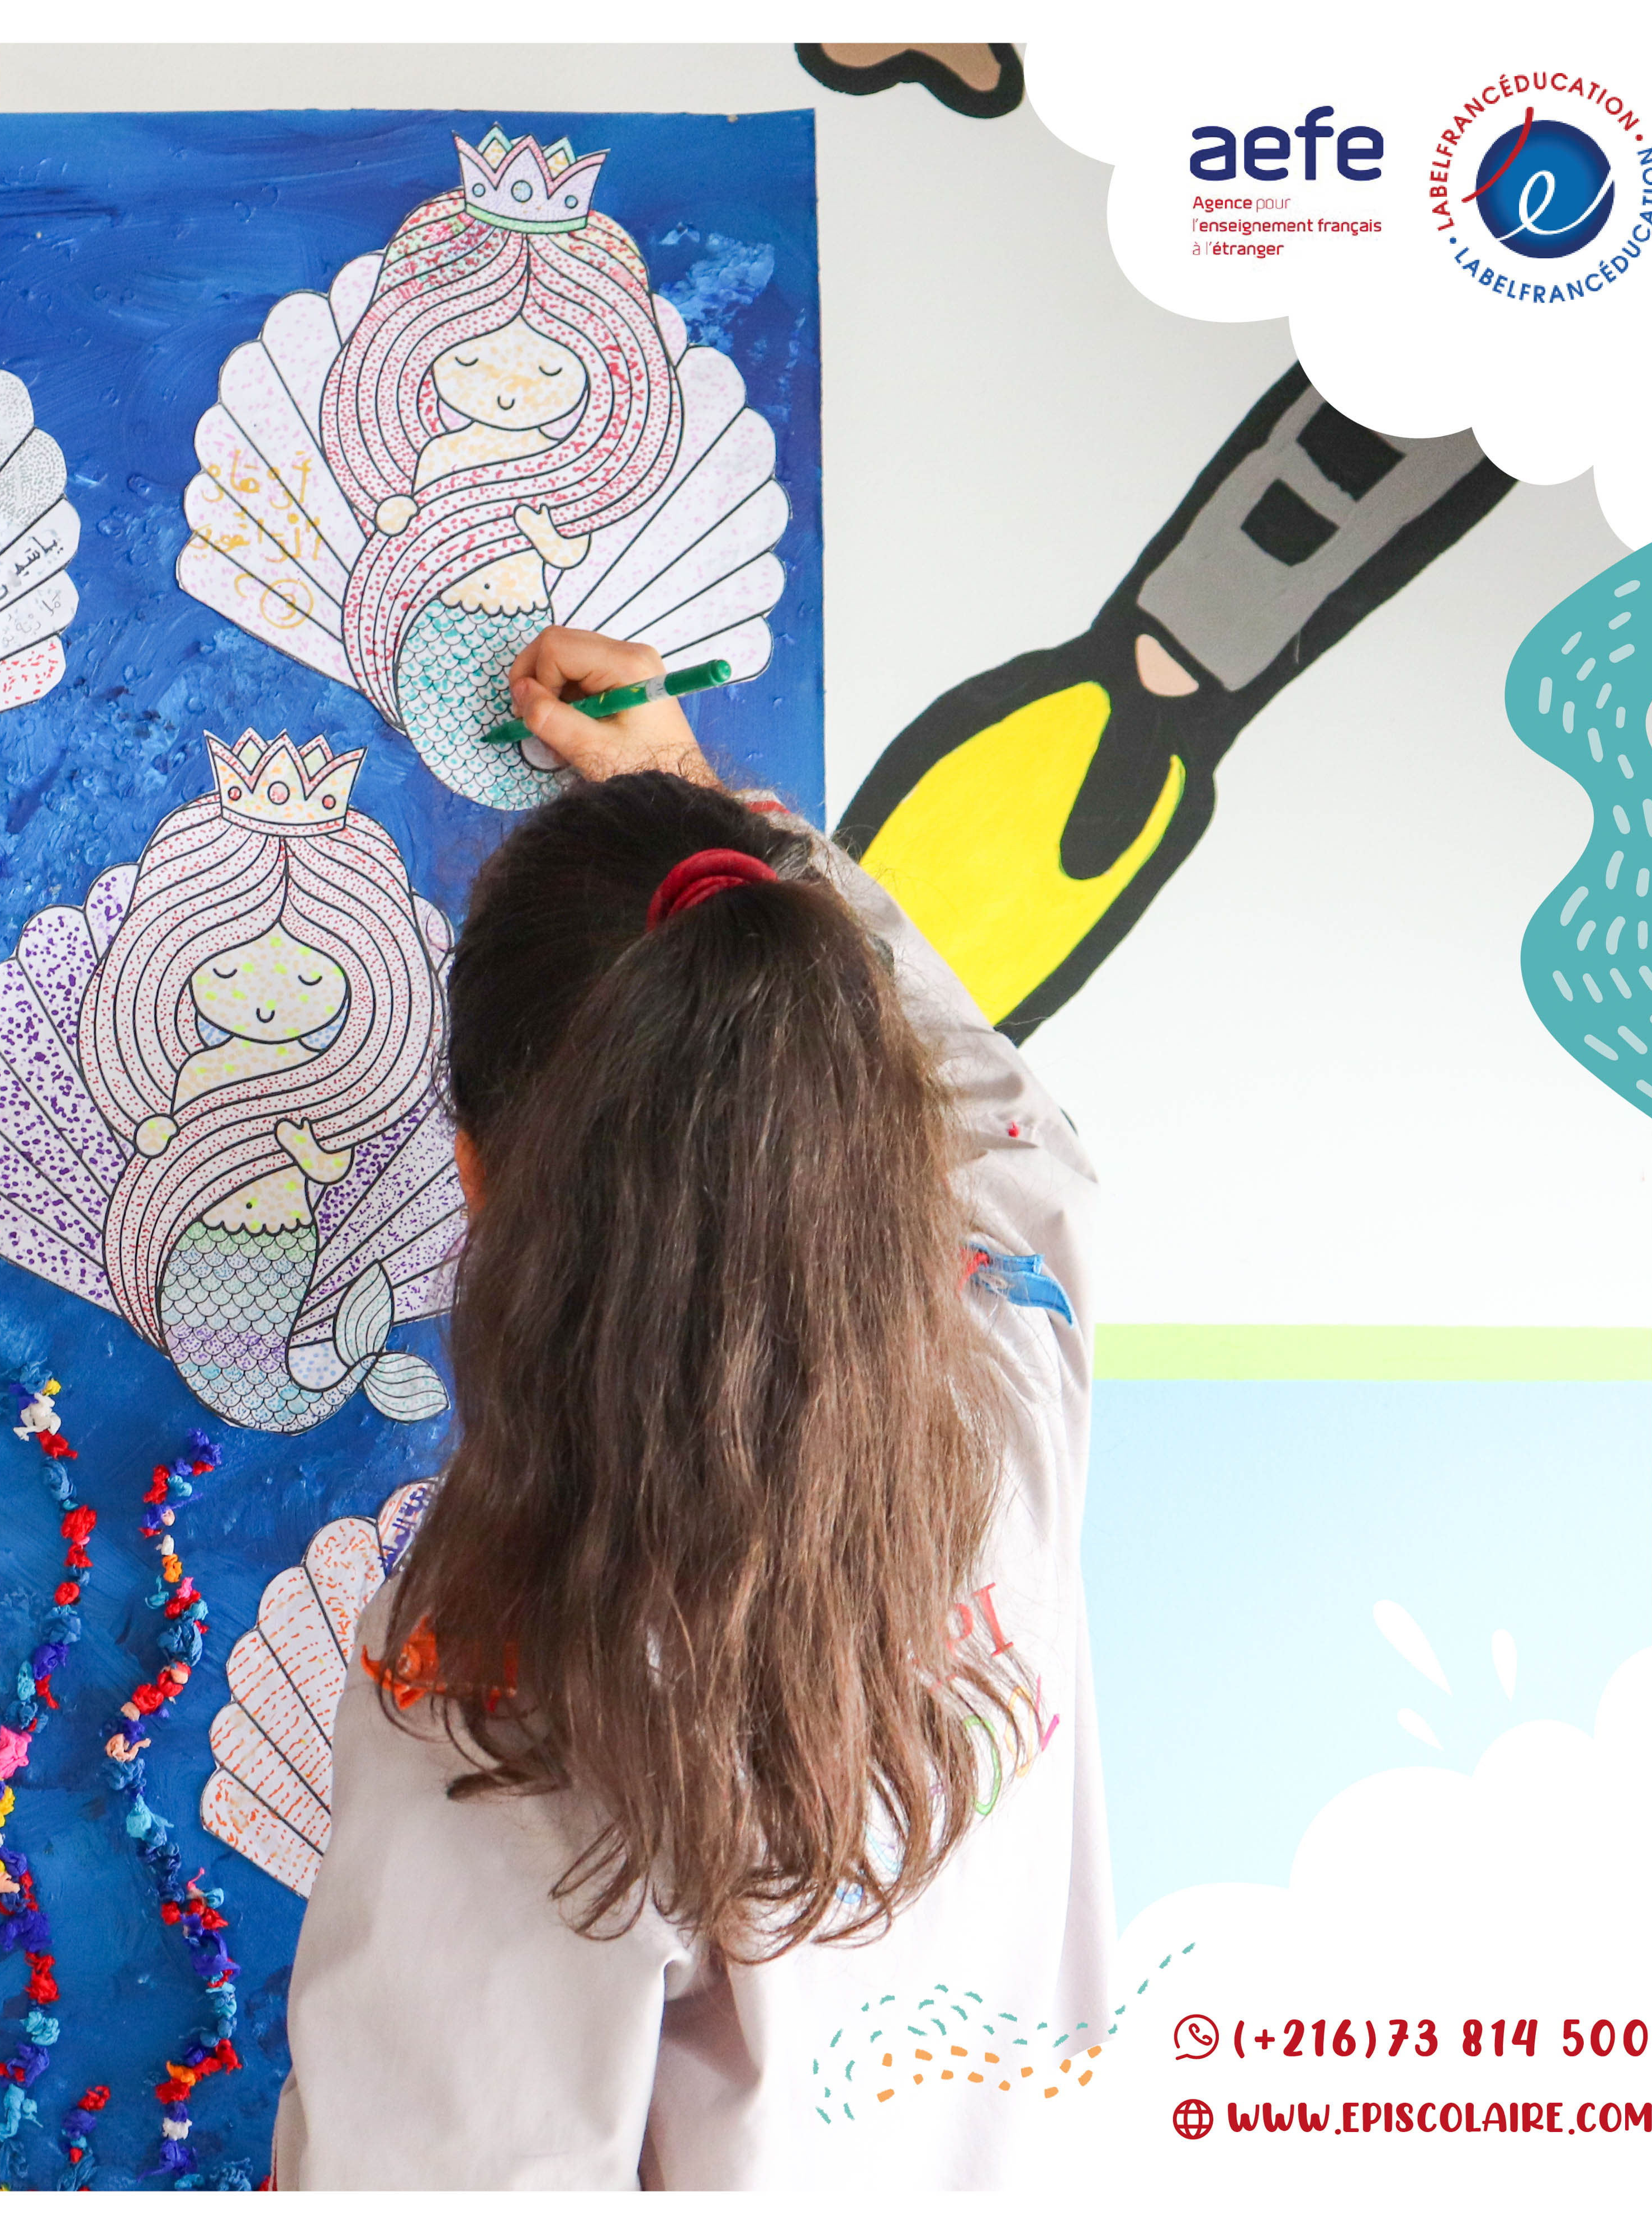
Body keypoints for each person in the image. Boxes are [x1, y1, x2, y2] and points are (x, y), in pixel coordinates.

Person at [274, 627, 1110, 2187]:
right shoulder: (1010, 1369)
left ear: (478, 1181)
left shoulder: (521, 1669)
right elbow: (1007, 1131)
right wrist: (720, 822)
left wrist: (720, 841)